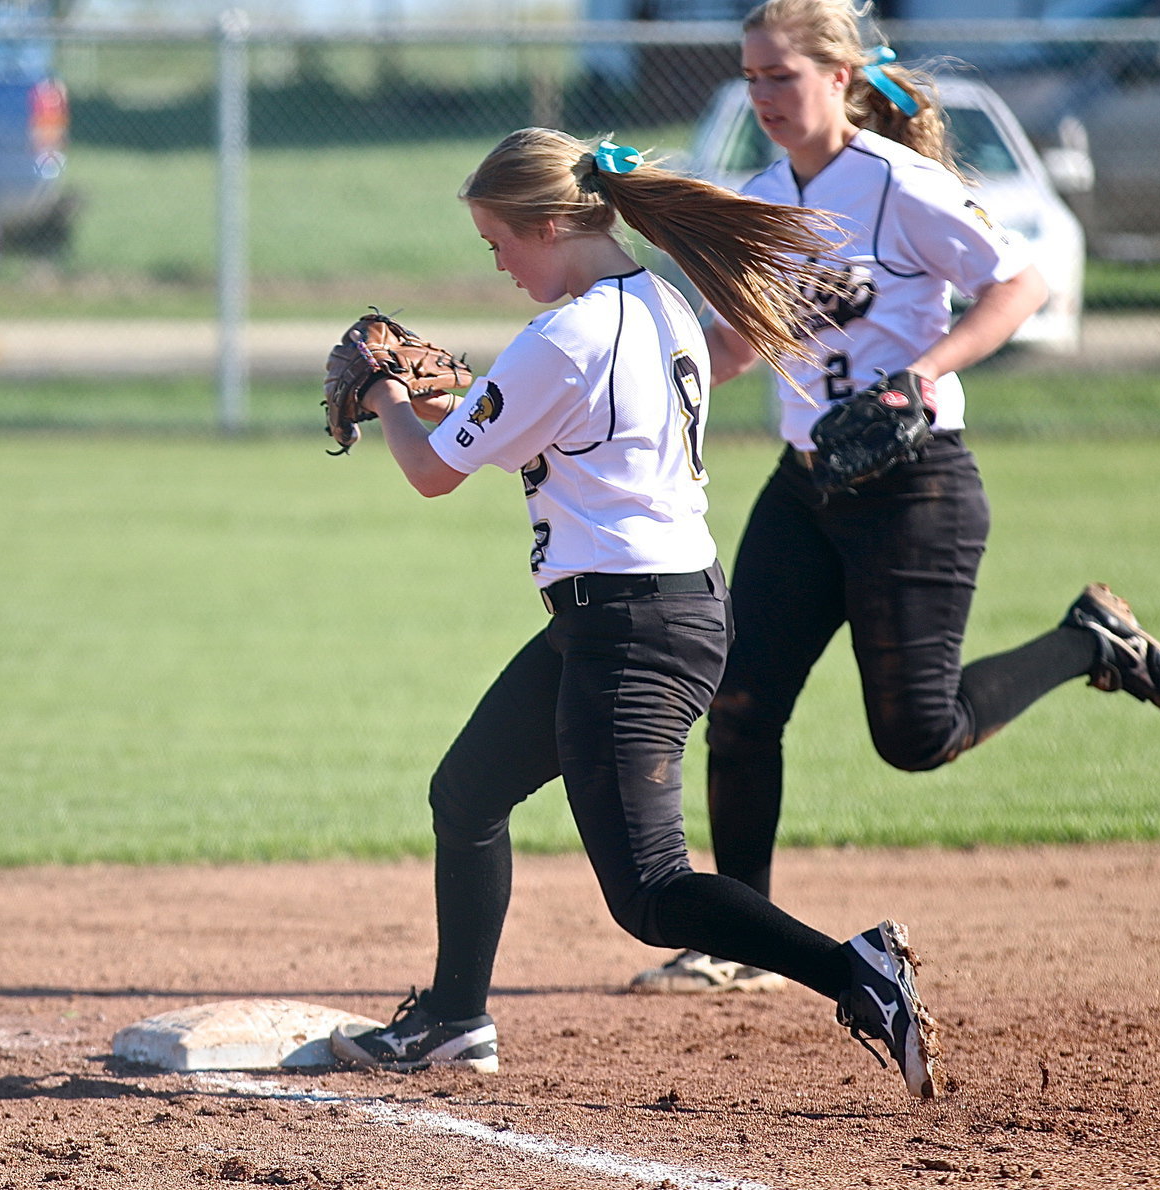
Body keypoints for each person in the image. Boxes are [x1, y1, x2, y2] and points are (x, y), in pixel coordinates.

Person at [327, 126, 943, 1099]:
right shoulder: (656, 303)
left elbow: (428, 470)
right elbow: (543, 409)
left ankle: (856, 972)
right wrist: (455, 390)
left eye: (499, 242)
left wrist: (382, 390)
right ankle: (452, 1021)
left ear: (548, 223)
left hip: (633, 626)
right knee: (468, 793)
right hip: (634, 613)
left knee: (652, 894)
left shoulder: (567, 335)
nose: (497, 263)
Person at [629, 0, 1160, 997]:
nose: (764, 97)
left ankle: (1091, 642)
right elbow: (738, 342)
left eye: (780, 76)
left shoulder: (899, 184)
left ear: (839, 77)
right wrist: (641, 384)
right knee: (740, 705)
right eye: (750, 79)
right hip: (805, 486)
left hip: (914, 490)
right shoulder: (757, 197)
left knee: (915, 738)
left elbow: (1021, 283)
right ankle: (738, 939)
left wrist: (923, 372)